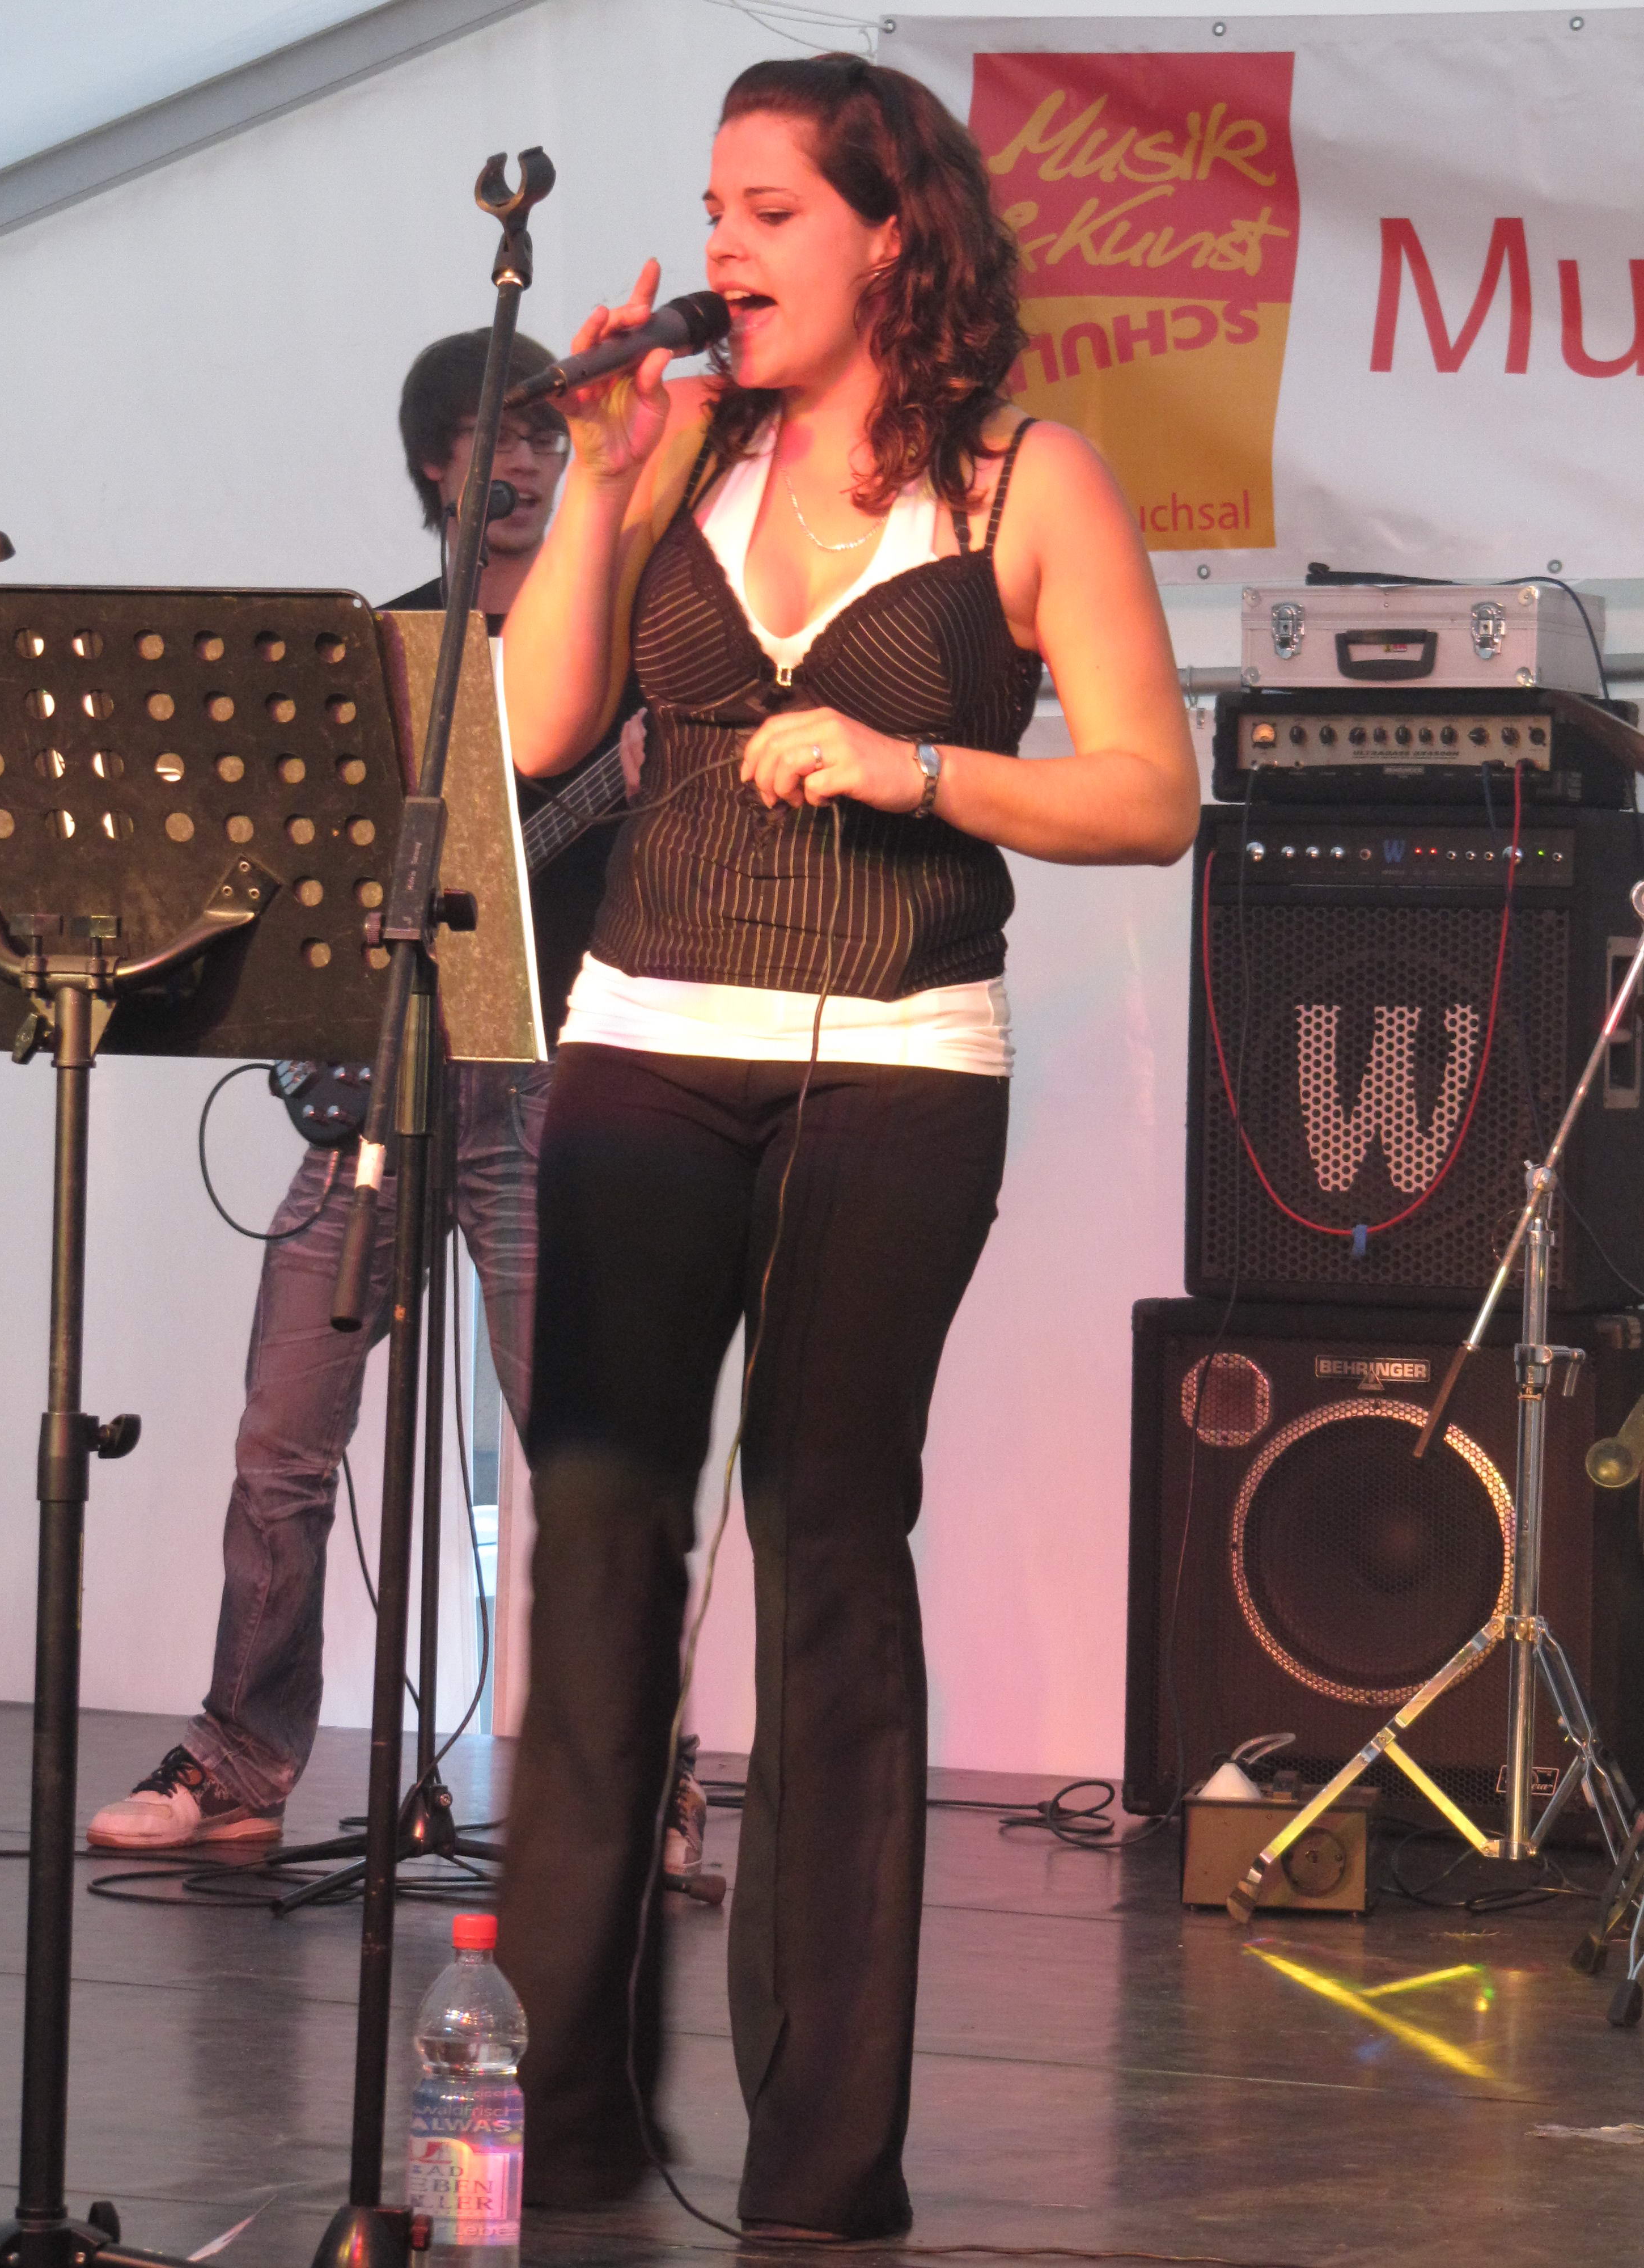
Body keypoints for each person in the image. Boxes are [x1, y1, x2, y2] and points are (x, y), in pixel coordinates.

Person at [492, 52, 1200, 2245]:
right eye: (712, 209)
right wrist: (599, 484)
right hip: (641, 1040)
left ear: (893, 234)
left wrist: (920, 770)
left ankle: (822, 2161)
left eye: (770, 210)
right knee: (600, 1551)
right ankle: (565, 2122)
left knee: (823, 1553)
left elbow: (1151, 794)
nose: (722, 248)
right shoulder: (684, 447)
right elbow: (532, 729)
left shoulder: (1026, 482)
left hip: (897, 1066)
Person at [86, 328, 649, 1850]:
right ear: (435, 465)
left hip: (548, 1085)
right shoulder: (389, 648)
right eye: (498, 435)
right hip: (387, 1079)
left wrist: (627, 782)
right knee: (283, 1441)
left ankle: (635, 1787)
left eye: (546, 434)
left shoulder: (626, 643)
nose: (527, 459)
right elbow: (338, 879)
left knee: (585, 1454)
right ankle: (239, 1757)